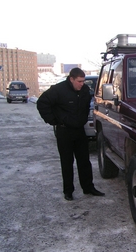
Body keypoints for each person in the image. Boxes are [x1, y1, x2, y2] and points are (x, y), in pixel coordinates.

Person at [37, 67, 104, 201]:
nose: (81, 84)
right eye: (79, 81)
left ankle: (88, 187)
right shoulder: (58, 90)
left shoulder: (84, 90)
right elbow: (42, 103)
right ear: (71, 79)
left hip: (79, 130)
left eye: (83, 81)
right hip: (64, 131)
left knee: (84, 161)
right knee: (67, 162)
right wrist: (53, 120)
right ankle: (68, 191)